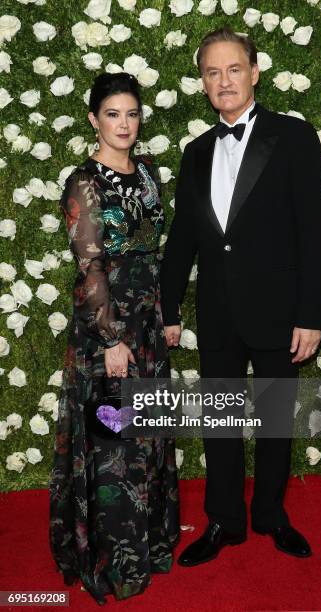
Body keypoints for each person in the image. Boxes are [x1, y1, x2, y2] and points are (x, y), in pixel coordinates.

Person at [160, 27, 321, 566]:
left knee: (275, 419)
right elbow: (183, 239)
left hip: (282, 314)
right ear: (203, 83)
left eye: (233, 69)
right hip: (217, 314)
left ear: (254, 72)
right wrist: (168, 309)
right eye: (212, 72)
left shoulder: (294, 137)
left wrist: (311, 314)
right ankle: (224, 521)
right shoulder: (195, 152)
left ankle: (272, 516)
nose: (223, 80)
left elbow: (315, 232)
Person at [49, 72, 179, 605]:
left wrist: (167, 313)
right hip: (110, 327)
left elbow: (160, 252)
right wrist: (108, 338)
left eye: (131, 114)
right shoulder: (84, 182)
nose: (123, 124)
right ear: (93, 119)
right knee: (115, 445)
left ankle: (150, 543)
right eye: (112, 114)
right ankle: (117, 563)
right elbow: (89, 265)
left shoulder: (148, 172)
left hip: (149, 322)